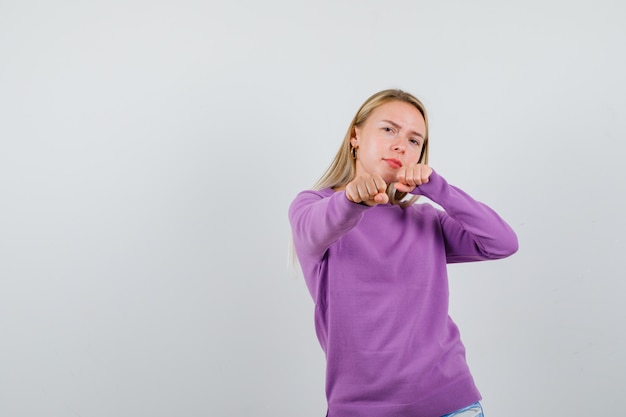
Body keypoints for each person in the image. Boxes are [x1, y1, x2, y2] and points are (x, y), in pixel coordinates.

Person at [288, 89, 518, 417]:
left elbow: (502, 242)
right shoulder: (312, 205)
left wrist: (439, 189)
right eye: (388, 129)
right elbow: (318, 226)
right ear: (355, 135)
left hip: (451, 403)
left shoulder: (426, 221)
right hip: (361, 409)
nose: (400, 145)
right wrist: (352, 199)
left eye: (414, 141)